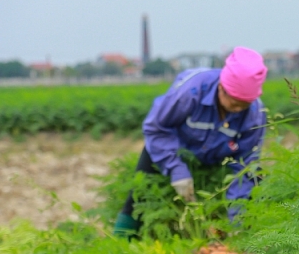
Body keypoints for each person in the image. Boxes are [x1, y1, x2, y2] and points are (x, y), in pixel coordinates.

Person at [113, 47, 268, 237]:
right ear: (221, 87)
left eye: (243, 105)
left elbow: (246, 165)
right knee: (142, 184)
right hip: (178, 149)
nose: (237, 110)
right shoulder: (191, 91)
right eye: (234, 103)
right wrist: (177, 170)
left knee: (255, 177)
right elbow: (156, 128)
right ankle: (122, 236)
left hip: (220, 157)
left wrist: (236, 220)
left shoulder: (255, 115)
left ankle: (237, 233)